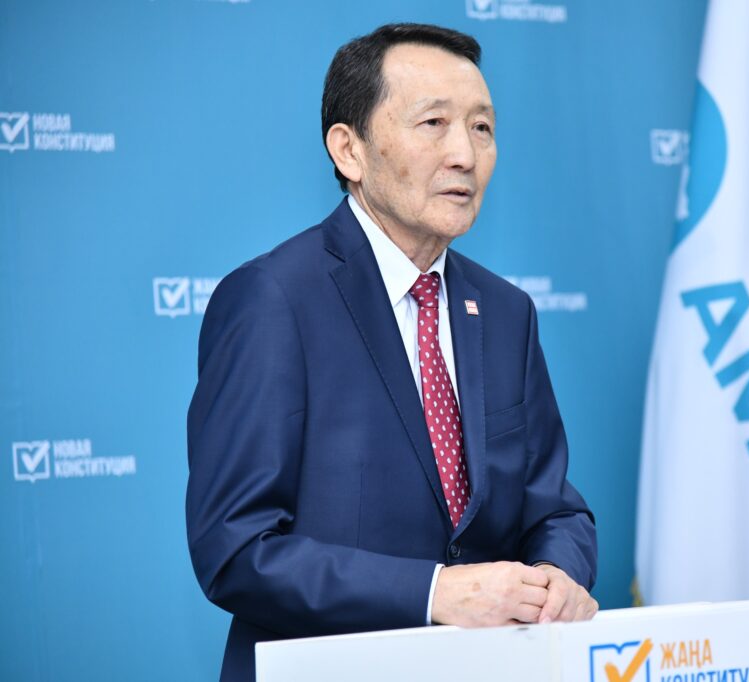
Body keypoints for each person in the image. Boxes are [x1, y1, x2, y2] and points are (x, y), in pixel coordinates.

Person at [186, 23, 598, 682]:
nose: (464, 153)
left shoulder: (505, 311)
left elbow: (555, 509)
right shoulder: (273, 299)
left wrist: (555, 576)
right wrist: (434, 593)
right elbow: (235, 549)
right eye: (433, 123)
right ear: (349, 150)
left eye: (482, 128)